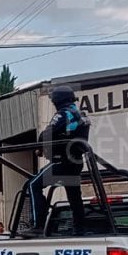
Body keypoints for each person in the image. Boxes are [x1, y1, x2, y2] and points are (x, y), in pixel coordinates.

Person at [26, 85, 91, 235]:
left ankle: (38, 225)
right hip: (76, 162)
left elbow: (47, 133)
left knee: (33, 185)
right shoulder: (81, 115)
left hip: (62, 161)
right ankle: (80, 229)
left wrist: (40, 147)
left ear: (57, 101)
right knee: (74, 197)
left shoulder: (64, 114)